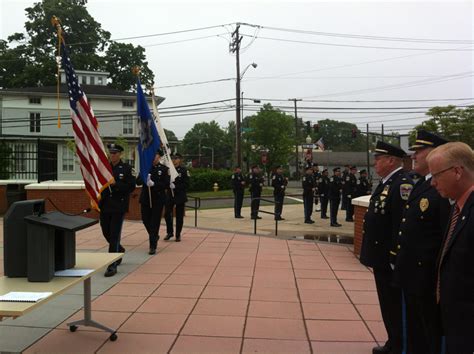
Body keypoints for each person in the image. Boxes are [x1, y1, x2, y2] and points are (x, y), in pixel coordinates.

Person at [391, 130, 449, 354]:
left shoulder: (440, 189)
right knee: (415, 331)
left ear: (436, 154)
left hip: (426, 276)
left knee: (429, 333)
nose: (413, 156)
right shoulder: (422, 184)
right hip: (412, 273)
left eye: (419, 151)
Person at [359, 141, 413, 354]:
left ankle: (399, 344)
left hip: (389, 259)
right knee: (387, 304)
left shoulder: (402, 184)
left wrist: (394, 257)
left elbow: (400, 225)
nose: (375, 163)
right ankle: (394, 341)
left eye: (378, 159)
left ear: (391, 160)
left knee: (393, 304)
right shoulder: (387, 182)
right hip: (381, 257)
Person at [427, 142, 474, 354]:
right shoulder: (458, 207)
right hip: (455, 323)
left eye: (436, 175)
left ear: (457, 171)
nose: (432, 183)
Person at [99, 143, 136, 277]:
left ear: (120, 154)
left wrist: (116, 184)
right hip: (105, 205)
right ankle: (119, 249)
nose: (112, 155)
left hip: (118, 206)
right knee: (105, 232)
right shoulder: (104, 168)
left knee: (114, 235)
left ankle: (112, 265)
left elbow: (131, 186)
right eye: (111, 153)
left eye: (115, 153)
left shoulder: (126, 168)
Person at [137, 149, 170, 255]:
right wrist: (144, 178)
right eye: (152, 154)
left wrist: (154, 184)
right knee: (145, 220)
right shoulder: (145, 168)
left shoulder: (164, 169)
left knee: (155, 222)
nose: (153, 157)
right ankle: (154, 235)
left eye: (155, 155)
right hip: (146, 199)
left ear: (159, 157)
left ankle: (152, 246)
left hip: (158, 199)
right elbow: (137, 181)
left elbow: (166, 184)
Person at [164, 153, 189, 242]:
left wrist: (176, 186)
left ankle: (178, 234)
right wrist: (168, 185)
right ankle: (170, 232)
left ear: (180, 160)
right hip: (170, 194)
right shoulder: (169, 170)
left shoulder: (183, 170)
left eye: (176, 158)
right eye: (173, 158)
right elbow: (165, 181)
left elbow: (186, 184)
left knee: (179, 216)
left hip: (180, 195)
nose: (174, 160)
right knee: (167, 214)